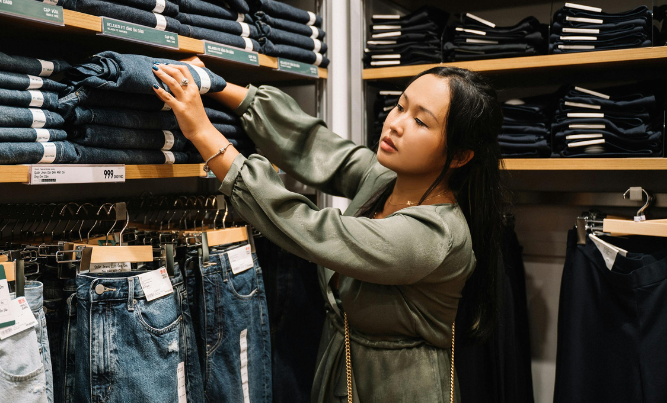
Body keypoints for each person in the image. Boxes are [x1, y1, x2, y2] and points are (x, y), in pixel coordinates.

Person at [150, 62, 507, 403]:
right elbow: (318, 148)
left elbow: (314, 230)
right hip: (343, 373)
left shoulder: (435, 236)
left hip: (400, 388)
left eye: (419, 121)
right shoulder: (387, 181)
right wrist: (218, 85)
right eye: (400, 106)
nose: (395, 124)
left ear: (459, 156)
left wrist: (201, 132)